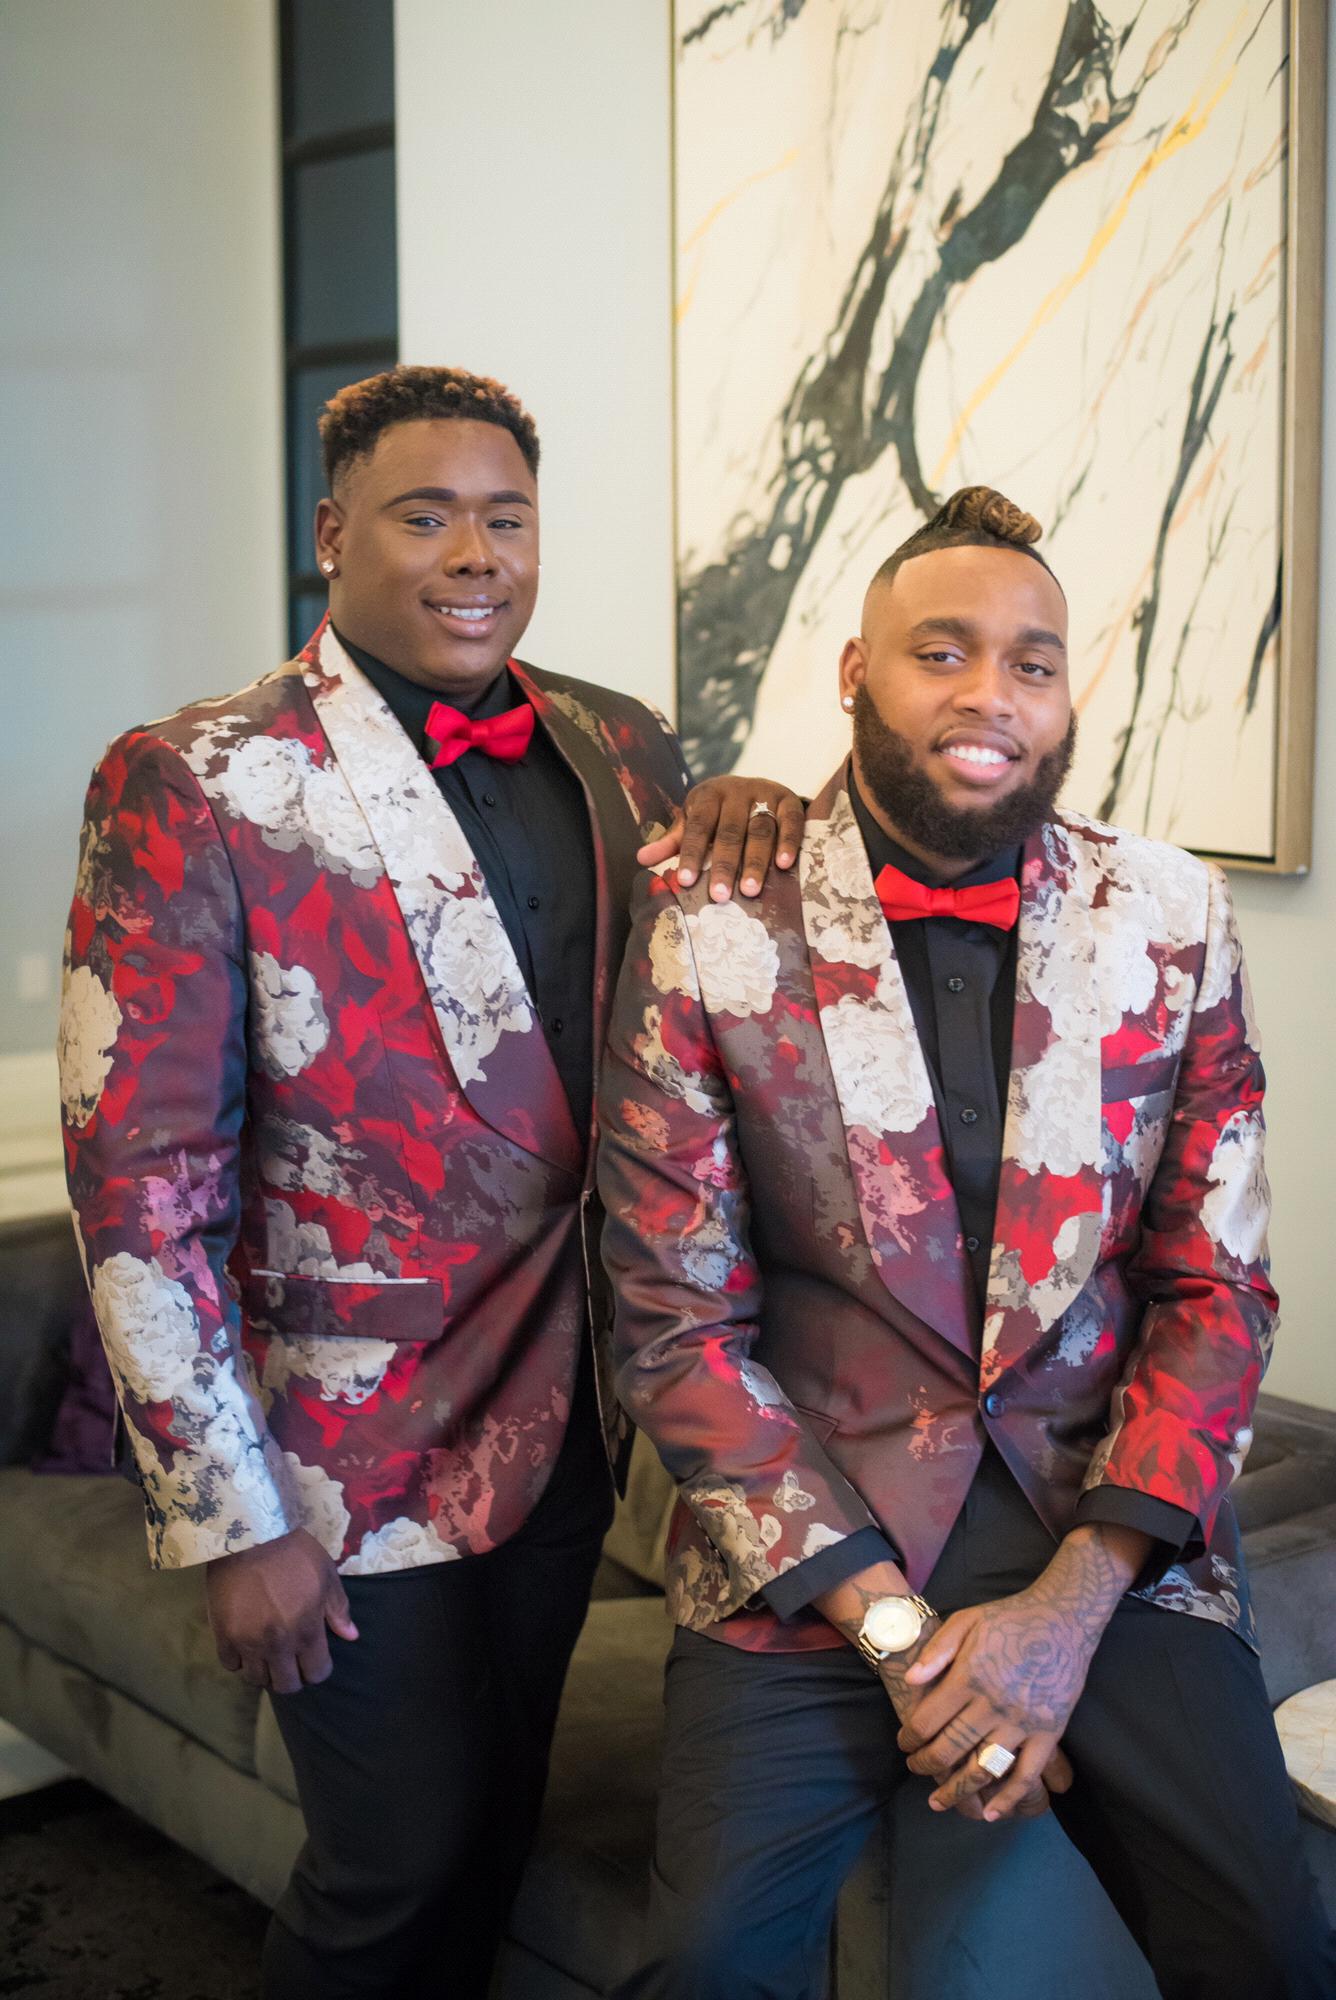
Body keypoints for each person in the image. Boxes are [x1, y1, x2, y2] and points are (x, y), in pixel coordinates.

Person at [57, 364, 804, 2000]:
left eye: (506, 519)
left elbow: (693, 1027)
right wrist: (230, 1522)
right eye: (427, 516)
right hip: (341, 1459)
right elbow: (140, 1185)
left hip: (579, 1417)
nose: (476, 554)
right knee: (386, 1876)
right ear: (335, 534)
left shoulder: (623, 742)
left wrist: (759, 811)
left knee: (491, 1840)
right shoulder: (193, 777)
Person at [596, 486, 1336, 1999]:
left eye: (1030, 662)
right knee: (708, 1963)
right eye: (941, 651)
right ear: (856, 674)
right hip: (810, 1537)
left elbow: (1217, 1286)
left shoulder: (1172, 914)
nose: (989, 693)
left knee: (1268, 1939)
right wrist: (900, 1639)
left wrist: (1070, 1610)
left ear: (1066, 695)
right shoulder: (714, 923)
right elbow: (673, 1327)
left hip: (1104, 1528)